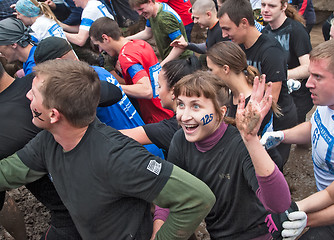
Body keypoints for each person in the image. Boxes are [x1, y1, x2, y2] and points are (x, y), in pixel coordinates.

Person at [0, 58, 215, 239]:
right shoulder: (48, 141)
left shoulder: (117, 156)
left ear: (54, 114)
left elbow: (197, 198)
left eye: (34, 94)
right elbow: (8, 173)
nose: (27, 96)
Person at [153, 71, 291, 239]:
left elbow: (279, 204)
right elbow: (170, 193)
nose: (184, 116)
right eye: (181, 104)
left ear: (221, 112)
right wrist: (157, 233)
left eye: (196, 106)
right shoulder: (180, 140)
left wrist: (251, 139)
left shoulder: (240, 145)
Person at [260, 37, 334, 239]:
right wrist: (281, 136)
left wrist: (305, 217)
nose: (309, 84)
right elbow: (315, 126)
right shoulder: (329, 100)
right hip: (327, 197)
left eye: (318, 77)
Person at [34, 36, 164, 158]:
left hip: (132, 154)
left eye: (47, 72)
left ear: (59, 62)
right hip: (147, 144)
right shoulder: (98, 71)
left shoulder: (79, 88)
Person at [218, 0, 297, 167]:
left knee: (272, 166)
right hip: (251, 117)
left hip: (277, 120)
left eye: (227, 29)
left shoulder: (270, 51)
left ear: (244, 23)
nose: (224, 35)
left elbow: (271, 101)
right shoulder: (239, 47)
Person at [206, 41, 283, 168]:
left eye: (211, 69)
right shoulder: (234, 93)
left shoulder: (253, 104)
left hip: (262, 166)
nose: (208, 74)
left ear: (226, 69)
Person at [89, 17, 174, 124]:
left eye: (98, 45)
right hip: (167, 107)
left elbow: (146, 90)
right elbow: (144, 78)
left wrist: (114, 87)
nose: (100, 50)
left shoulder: (126, 56)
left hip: (157, 116)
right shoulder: (140, 44)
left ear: (105, 38)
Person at [120, 56, 201, 156]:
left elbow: (117, 136)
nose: (157, 92)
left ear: (173, 91)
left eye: (159, 86)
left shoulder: (174, 128)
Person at [261, 0, 313, 124]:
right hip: (276, 94)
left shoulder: (296, 30)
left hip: (297, 96)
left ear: (284, 6)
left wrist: (279, 76)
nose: (266, 10)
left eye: (272, 6)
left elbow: (308, 67)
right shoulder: (265, 32)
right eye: (263, 5)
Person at [127, 0, 193, 66]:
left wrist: (161, 66)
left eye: (141, 9)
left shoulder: (164, 18)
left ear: (150, 2)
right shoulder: (152, 11)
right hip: (172, 59)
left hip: (181, 61)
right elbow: (147, 33)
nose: (140, 13)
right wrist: (126, 39)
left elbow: (180, 46)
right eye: (137, 10)